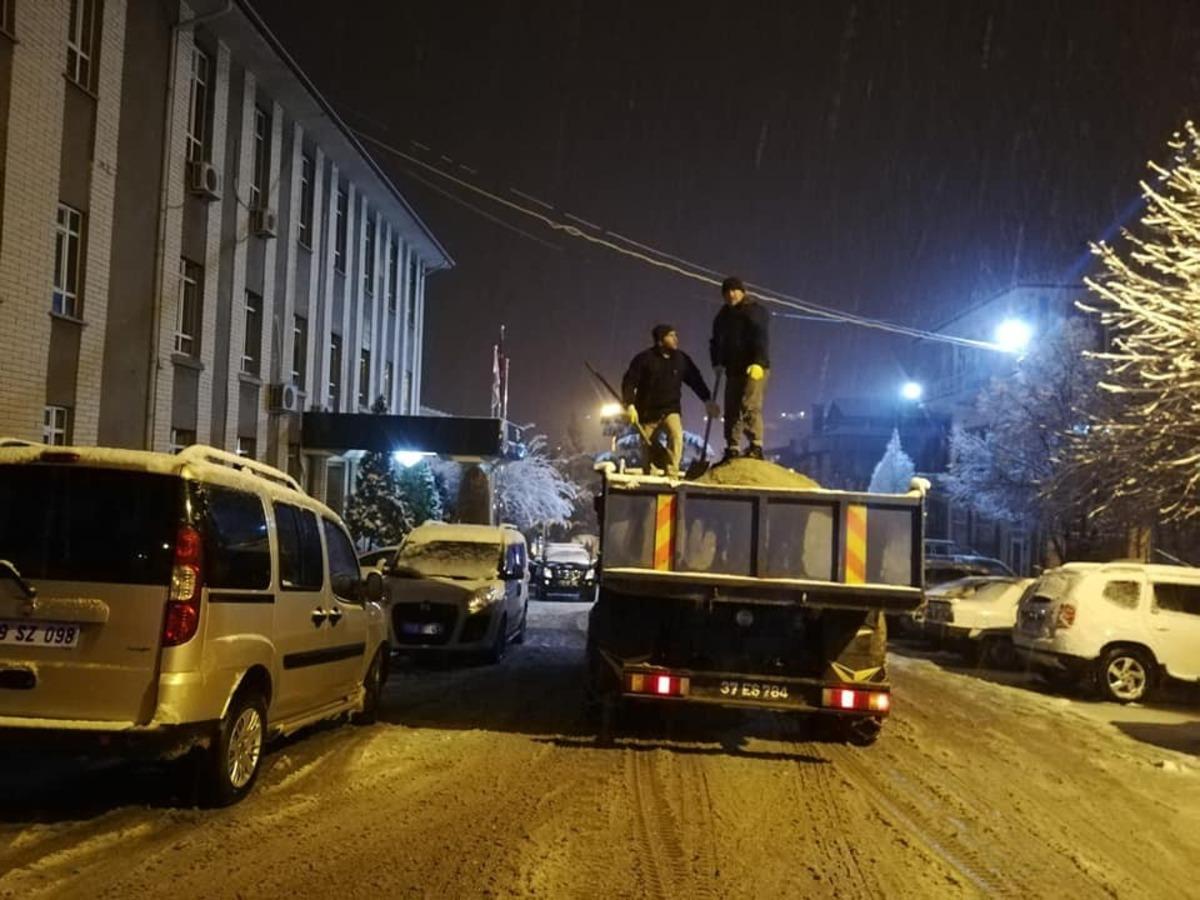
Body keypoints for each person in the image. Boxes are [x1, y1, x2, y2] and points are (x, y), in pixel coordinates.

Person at [621, 324, 720, 475]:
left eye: (676, 335)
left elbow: (695, 380)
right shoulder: (644, 359)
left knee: (676, 435)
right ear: (660, 341)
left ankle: (672, 471)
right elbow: (629, 381)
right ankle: (650, 472)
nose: (676, 339)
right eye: (671, 336)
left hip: (670, 409)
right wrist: (630, 404)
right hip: (647, 411)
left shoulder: (681, 360)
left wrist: (707, 400)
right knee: (647, 443)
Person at [710, 276, 770, 461]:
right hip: (733, 368)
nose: (731, 295)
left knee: (749, 404)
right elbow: (716, 342)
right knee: (732, 407)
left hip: (754, 366)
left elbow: (760, 336)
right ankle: (732, 447)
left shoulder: (754, 311)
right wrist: (717, 362)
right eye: (727, 292)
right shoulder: (722, 317)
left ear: (743, 292)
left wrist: (759, 362)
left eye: (735, 290)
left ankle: (756, 445)